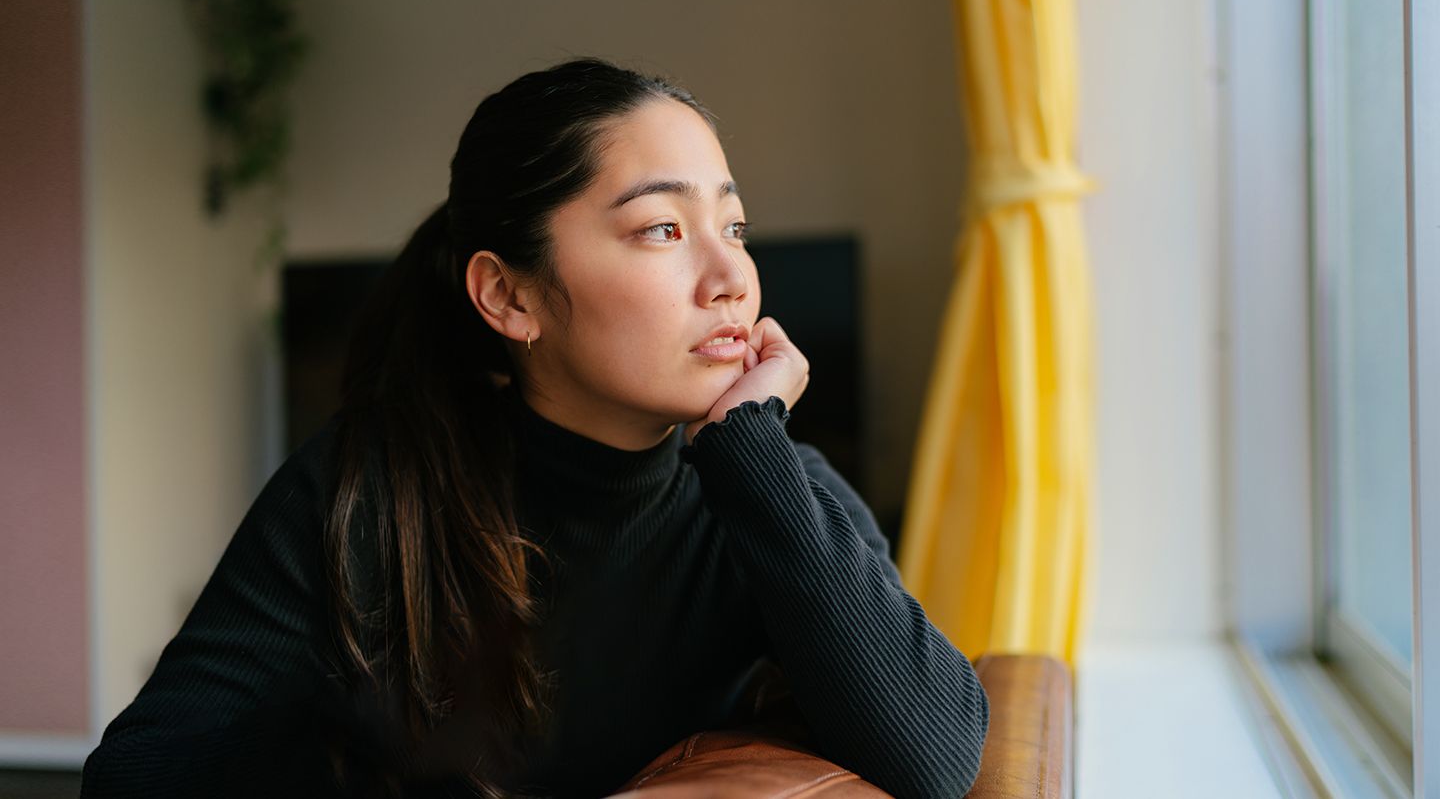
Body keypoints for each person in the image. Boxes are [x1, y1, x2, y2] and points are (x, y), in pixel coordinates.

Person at [79, 58, 989, 799]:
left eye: (736, 226)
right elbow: (137, 775)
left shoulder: (768, 492)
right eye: (663, 230)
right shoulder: (367, 493)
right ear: (509, 296)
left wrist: (752, 446)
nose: (731, 278)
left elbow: (939, 760)